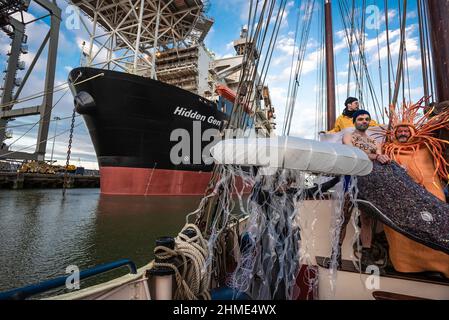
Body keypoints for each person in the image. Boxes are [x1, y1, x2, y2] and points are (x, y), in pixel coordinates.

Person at [382, 102, 449, 276]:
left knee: (435, 222)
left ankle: (441, 264)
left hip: (429, 193)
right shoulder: (388, 150)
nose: (402, 133)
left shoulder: (425, 147)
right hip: (402, 197)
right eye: (399, 131)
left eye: (406, 130)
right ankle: (407, 265)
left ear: (412, 132)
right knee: (401, 230)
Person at [338, 110, 390, 266]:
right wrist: (375, 156)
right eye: (360, 119)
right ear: (355, 121)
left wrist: (380, 157)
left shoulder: (375, 142)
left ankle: (366, 254)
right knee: (344, 217)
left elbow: (380, 160)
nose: (364, 121)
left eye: (367, 119)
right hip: (351, 179)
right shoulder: (348, 136)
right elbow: (353, 152)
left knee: (366, 219)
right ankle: (336, 252)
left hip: (369, 181)